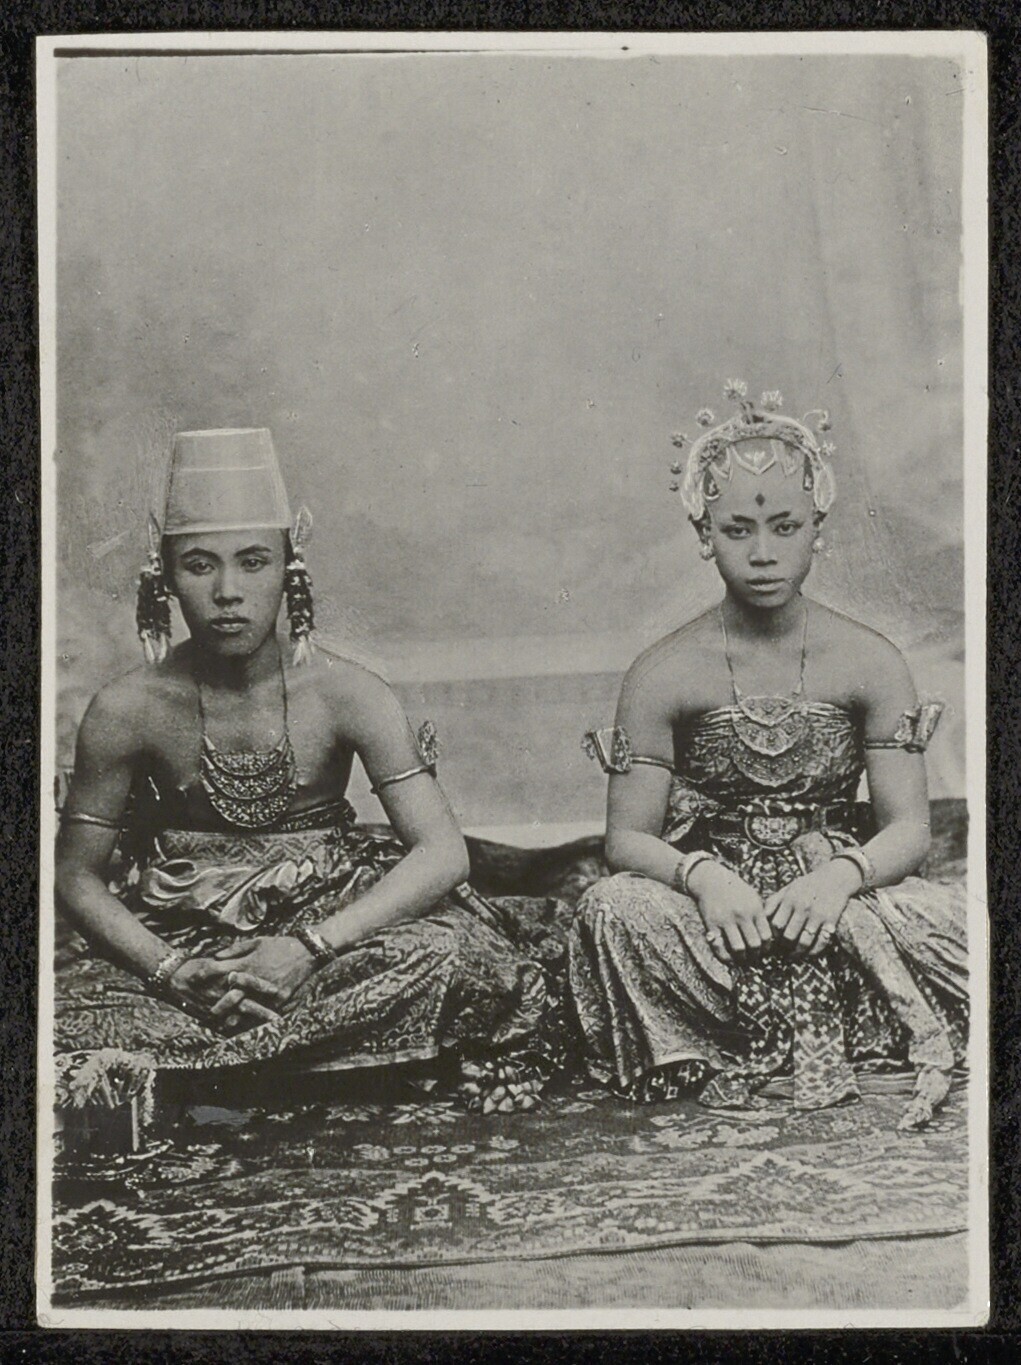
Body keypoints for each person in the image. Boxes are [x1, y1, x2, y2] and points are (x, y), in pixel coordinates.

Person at [55, 428, 557, 1131]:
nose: (228, 592)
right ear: (163, 576)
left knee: (455, 956)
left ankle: (229, 1074)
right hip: (188, 940)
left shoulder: (349, 693)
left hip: (328, 932)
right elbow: (76, 874)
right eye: (199, 565)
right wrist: (173, 971)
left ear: (290, 568)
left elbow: (443, 853)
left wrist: (308, 949)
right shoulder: (125, 708)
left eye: (253, 561)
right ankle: (324, 1065)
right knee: (61, 1012)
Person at [569, 383, 968, 1130]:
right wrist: (705, 878)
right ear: (703, 531)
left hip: (838, 896)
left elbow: (909, 830)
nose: (762, 554)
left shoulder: (870, 660)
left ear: (818, 528)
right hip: (721, 912)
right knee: (611, 910)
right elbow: (625, 839)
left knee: (964, 926)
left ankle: (831, 1025)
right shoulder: (662, 672)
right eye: (737, 529)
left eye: (785, 527)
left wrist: (838, 879)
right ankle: (740, 1036)